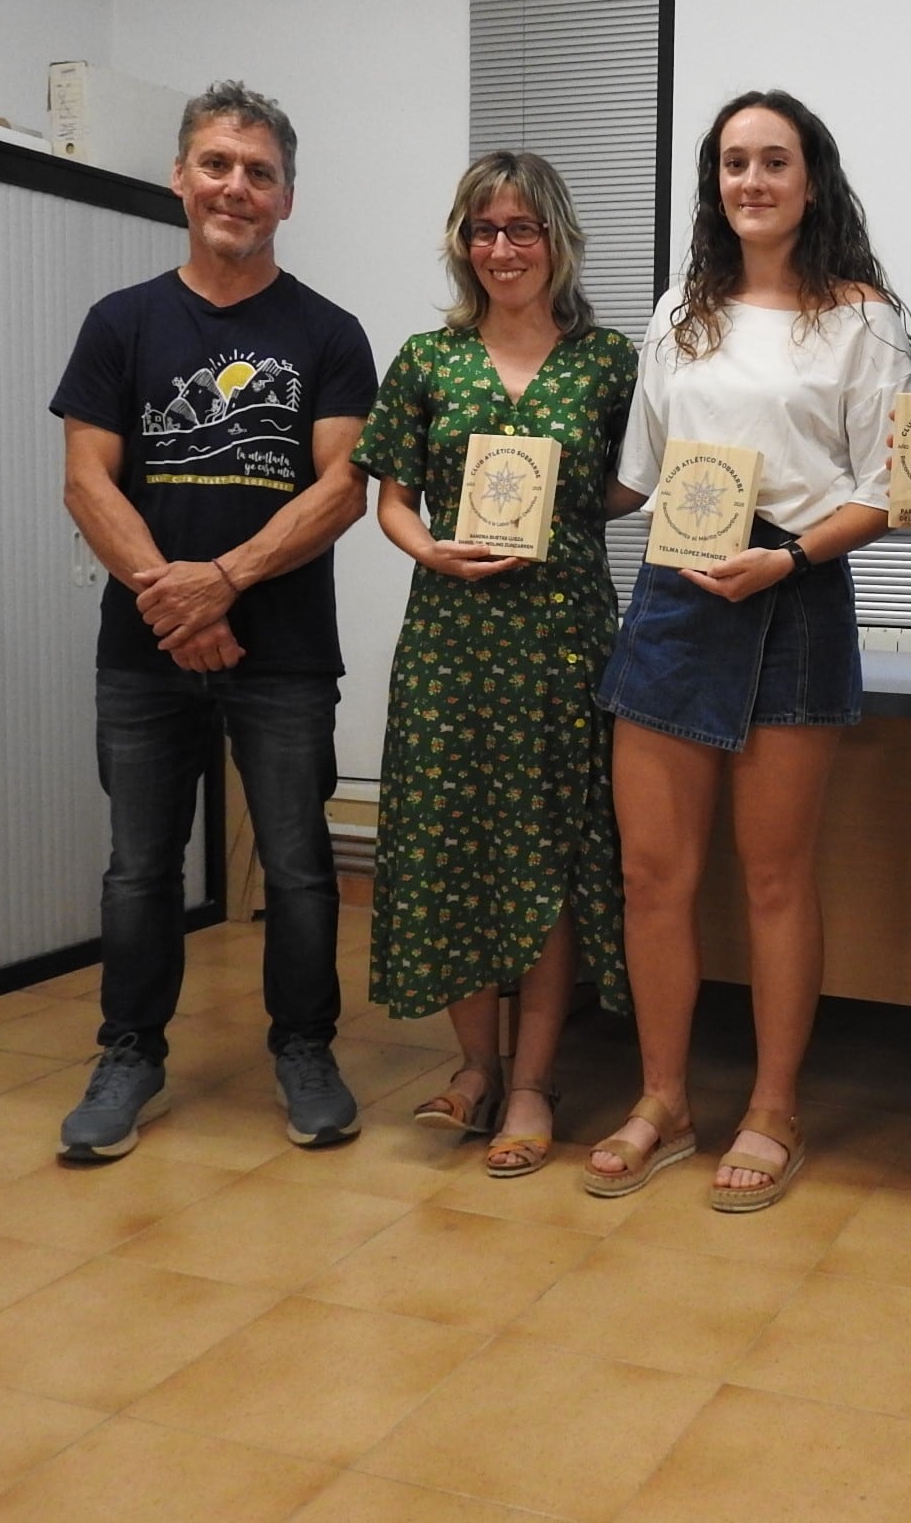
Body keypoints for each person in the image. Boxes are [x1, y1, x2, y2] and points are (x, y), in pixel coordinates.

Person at [584, 89, 911, 1211]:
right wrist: (512, 484)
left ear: (810, 178)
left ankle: (774, 1107)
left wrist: (790, 559)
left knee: (775, 880)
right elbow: (636, 472)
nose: (752, 182)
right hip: (677, 588)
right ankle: (663, 1101)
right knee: (652, 877)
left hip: (794, 587)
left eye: (774, 161)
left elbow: (885, 488)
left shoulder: (865, 319)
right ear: (713, 183)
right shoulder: (680, 311)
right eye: (733, 163)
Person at [50, 80, 377, 1161]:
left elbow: (341, 491)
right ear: (181, 181)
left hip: (281, 654)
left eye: (260, 172)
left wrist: (222, 581)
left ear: (287, 197)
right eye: (217, 165)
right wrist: (173, 602)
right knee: (138, 867)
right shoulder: (121, 323)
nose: (236, 187)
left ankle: (305, 1050)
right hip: (143, 652)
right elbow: (87, 482)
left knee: (297, 863)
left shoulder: (329, 332)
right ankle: (130, 1056)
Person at [355, 151, 636, 1176]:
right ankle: (474, 1069)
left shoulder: (608, 362)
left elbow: (632, 484)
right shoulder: (427, 360)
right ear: (462, 243)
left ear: (557, 241)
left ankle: (532, 1081)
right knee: (456, 852)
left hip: (563, 644)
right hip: (450, 650)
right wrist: (427, 543)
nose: (503, 249)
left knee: (551, 860)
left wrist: (555, 510)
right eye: (485, 231)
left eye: (522, 230)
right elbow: (384, 490)